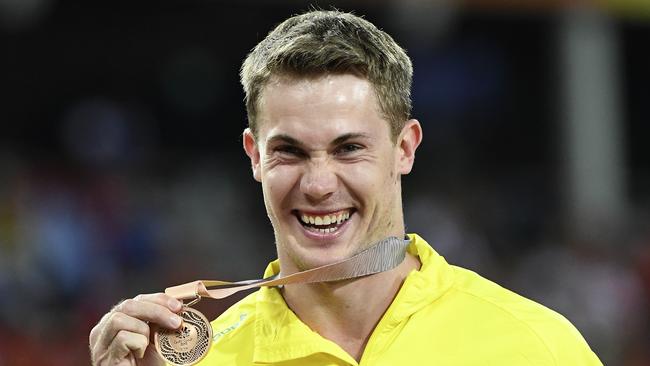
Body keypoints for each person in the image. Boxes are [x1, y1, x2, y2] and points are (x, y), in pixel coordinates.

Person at [89, 9, 602, 366]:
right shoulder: (200, 359)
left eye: (348, 148)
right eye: (289, 151)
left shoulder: (536, 346)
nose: (316, 185)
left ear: (405, 148)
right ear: (255, 156)